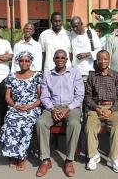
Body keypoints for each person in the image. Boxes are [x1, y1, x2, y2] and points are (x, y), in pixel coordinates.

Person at [36, 49, 84, 177]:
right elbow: (44, 97)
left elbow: (79, 96)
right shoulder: (47, 74)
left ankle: (69, 160)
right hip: (53, 106)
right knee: (41, 122)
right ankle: (46, 160)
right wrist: (52, 109)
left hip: (71, 107)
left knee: (74, 124)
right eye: (57, 57)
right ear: (53, 59)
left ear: (67, 60)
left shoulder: (74, 73)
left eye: (63, 58)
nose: (60, 60)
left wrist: (67, 109)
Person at [0, 51, 42, 171]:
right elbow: (7, 97)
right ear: (17, 62)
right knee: (10, 121)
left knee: (25, 123)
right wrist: (15, 106)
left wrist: (29, 107)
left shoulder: (37, 75)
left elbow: (41, 97)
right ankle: (13, 154)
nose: (24, 63)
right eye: (21, 60)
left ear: (31, 62)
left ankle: (22, 157)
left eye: (27, 61)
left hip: (32, 107)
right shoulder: (11, 76)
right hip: (16, 107)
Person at [85, 50, 118, 173]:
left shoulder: (116, 75)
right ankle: (93, 155)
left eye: (105, 59)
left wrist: (111, 110)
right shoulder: (92, 76)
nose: (103, 61)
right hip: (96, 108)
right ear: (97, 61)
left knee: (116, 128)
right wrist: (96, 109)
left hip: (112, 109)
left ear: (109, 60)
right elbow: (87, 97)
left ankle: (113, 159)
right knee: (89, 126)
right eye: (100, 59)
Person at [70, 16, 102, 80]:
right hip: (75, 72)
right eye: (73, 27)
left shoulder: (90, 33)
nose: (75, 29)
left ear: (82, 24)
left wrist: (87, 54)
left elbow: (100, 50)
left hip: (89, 71)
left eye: (76, 26)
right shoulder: (71, 34)